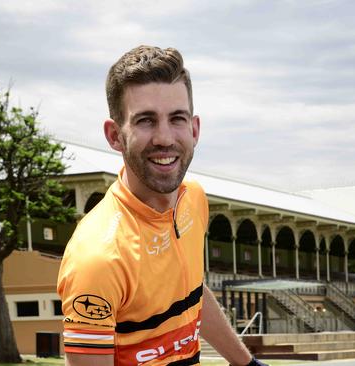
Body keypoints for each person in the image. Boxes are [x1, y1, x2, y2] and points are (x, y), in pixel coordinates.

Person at [57, 46, 266, 366]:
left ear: (195, 129)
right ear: (115, 135)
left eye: (177, 119)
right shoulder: (97, 257)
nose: (165, 138)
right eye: (145, 121)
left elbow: (191, 294)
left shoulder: (193, 199)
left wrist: (246, 364)